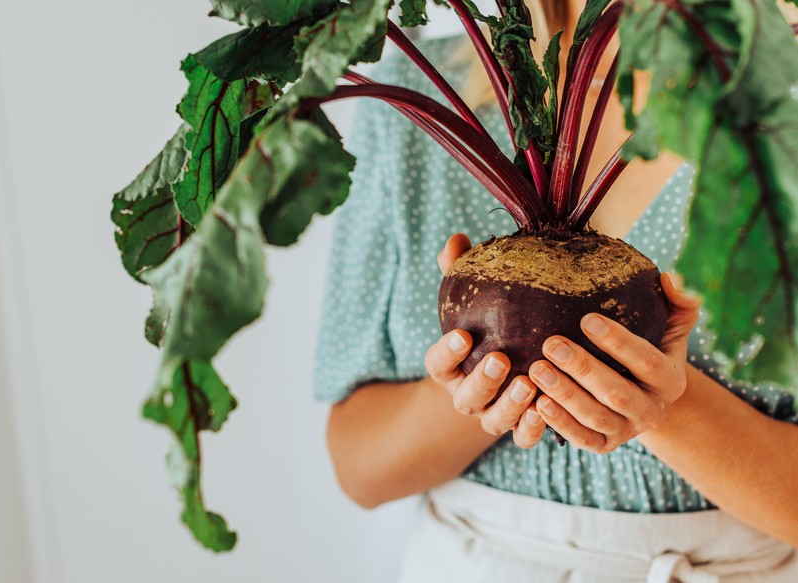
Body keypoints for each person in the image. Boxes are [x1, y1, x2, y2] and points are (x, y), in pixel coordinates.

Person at [312, 1, 798, 580]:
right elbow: (360, 468)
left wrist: (661, 401)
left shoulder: (779, 108)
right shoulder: (412, 96)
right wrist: (487, 373)